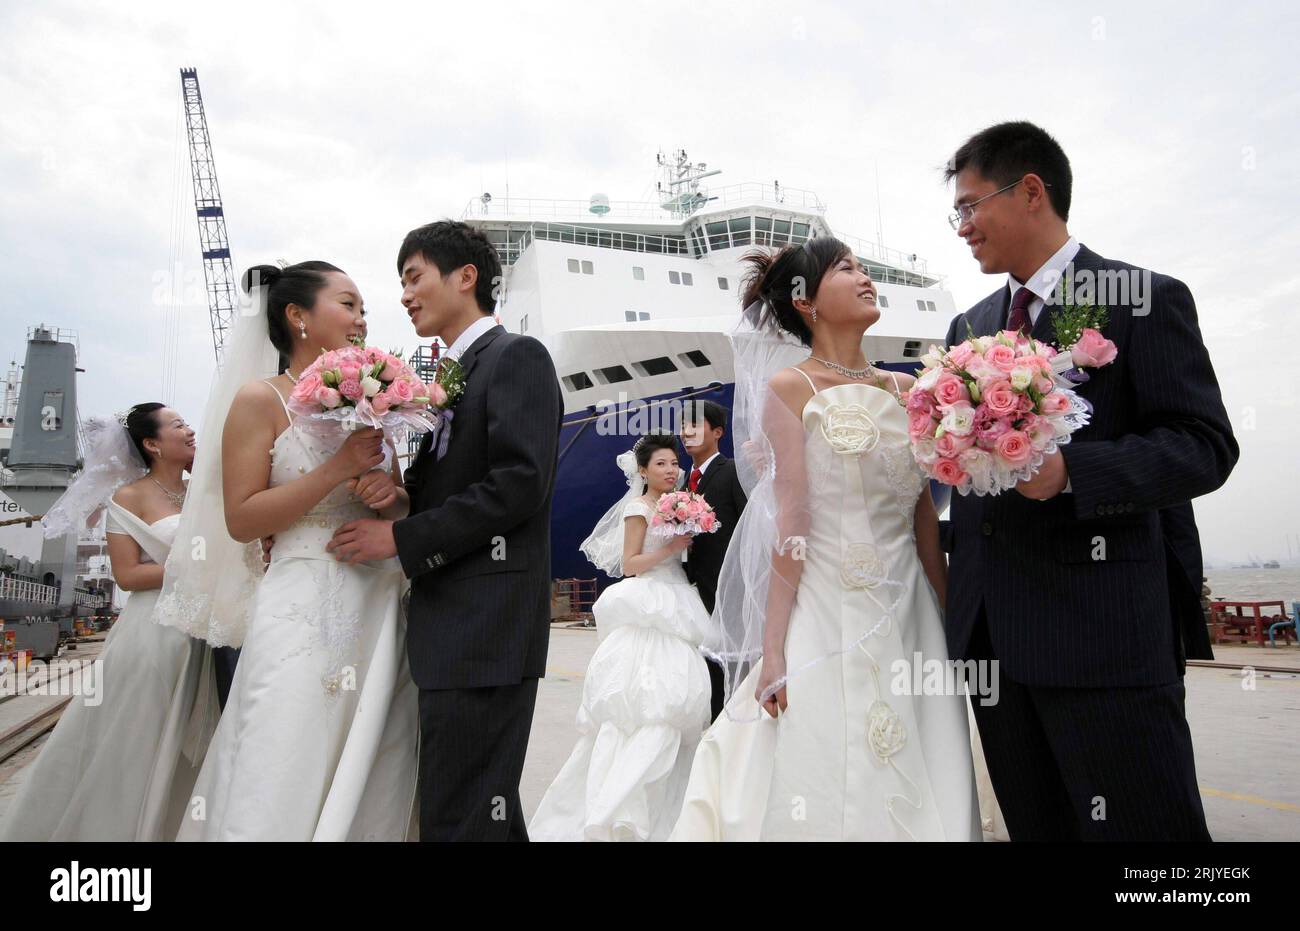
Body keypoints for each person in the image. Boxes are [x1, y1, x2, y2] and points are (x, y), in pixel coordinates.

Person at [941, 121, 1238, 840]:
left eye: (970, 206)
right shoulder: (969, 327)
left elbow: (1203, 445)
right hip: (995, 646)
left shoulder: (1140, 298)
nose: (963, 229)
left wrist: (1074, 471)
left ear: (1031, 191)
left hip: (1103, 638)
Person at [670, 238, 981, 841]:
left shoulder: (905, 389)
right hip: (827, 602)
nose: (865, 277)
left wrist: (946, 608)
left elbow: (921, 509)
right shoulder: (792, 389)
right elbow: (793, 520)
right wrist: (775, 649)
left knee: (927, 744)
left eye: (864, 268)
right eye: (847, 269)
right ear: (805, 301)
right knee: (831, 749)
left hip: (909, 604)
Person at [326, 221, 563, 841]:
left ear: (466, 277)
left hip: (486, 625)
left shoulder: (517, 357)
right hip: (453, 626)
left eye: (414, 276)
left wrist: (401, 541)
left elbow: (519, 483)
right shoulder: (448, 377)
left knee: (461, 811)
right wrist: (402, 499)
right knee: (477, 808)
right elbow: (458, 488)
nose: (404, 295)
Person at [177, 261, 418, 841]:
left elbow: (399, 501)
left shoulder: (376, 406)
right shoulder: (260, 400)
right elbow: (241, 519)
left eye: (364, 308)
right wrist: (337, 469)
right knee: (283, 743)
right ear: (297, 317)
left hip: (379, 598)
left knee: (377, 755)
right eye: (348, 304)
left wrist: (393, 497)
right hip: (299, 599)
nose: (362, 318)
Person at [0, 406, 218, 841]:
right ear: (152, 444)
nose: (190, 430)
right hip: (154, 635)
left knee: (197, 745)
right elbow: (128, 576)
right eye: (178, 426)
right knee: (140, 738)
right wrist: (200, 565)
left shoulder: (204, 491)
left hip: (205, 630)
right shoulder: (129, 497)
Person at [530, 432, 713, 840]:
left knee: (676, 701)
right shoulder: (638, 508)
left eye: (673, 463)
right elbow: (630, 564)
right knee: (643, 705)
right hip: (649, 603)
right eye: (661, 464)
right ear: (643, 470)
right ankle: (619, 806)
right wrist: (672, 547)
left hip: (678, 600)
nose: (670, 470)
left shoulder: (679, 504)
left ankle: (668, 808)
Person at [679, 400, 747, 721]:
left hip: (725, 592)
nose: (686, 432)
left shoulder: (732, 471)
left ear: (718, 432)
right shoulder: (678, 484)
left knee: (726, 674)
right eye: (682, 426)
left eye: (694, 425)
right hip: (690, 595)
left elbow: (750, 527)